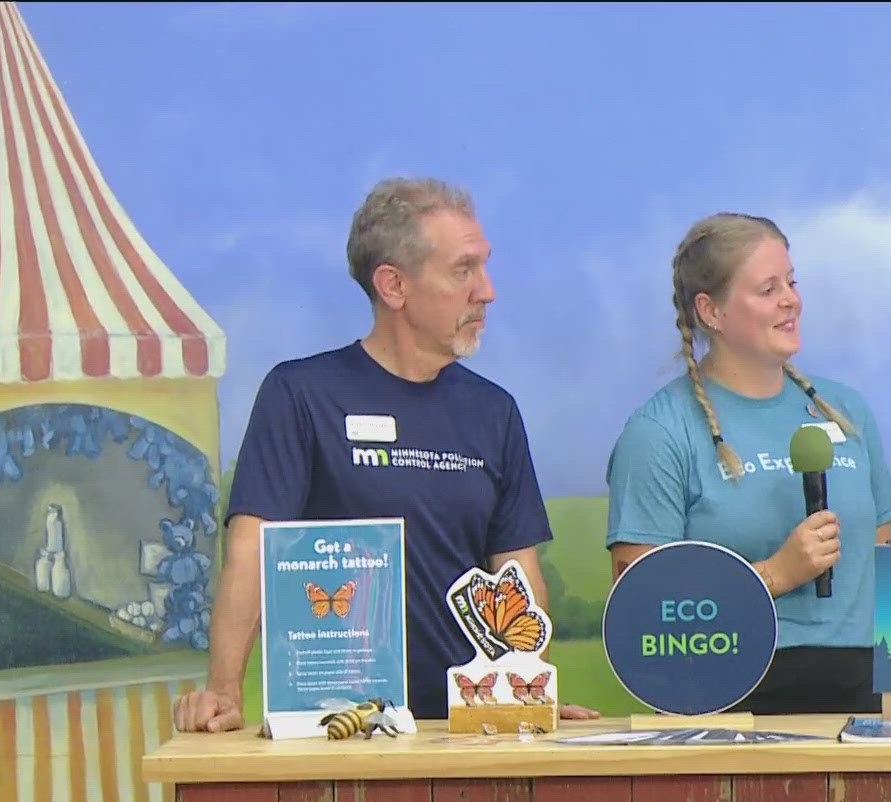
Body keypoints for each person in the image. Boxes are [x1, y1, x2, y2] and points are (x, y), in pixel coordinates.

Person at [174, 178, 598, 732]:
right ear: (394, 285)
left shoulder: (493, 412)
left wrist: (525, 688)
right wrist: (224, 691)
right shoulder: (301, 395)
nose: (487, 291)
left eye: (484, 267)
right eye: (463, 270)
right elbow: (253, 550)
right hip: (337, 732)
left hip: (465, 733)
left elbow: (515, 571)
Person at [605, 213, 891, 714]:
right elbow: (642, 609)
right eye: (767, 289)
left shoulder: (848, 413)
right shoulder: (659, 432)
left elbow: (885, 559)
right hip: (725, 693)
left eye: (791, 282)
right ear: (711, 311)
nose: (791, 300)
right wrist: (772, 575)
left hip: (863, 694)